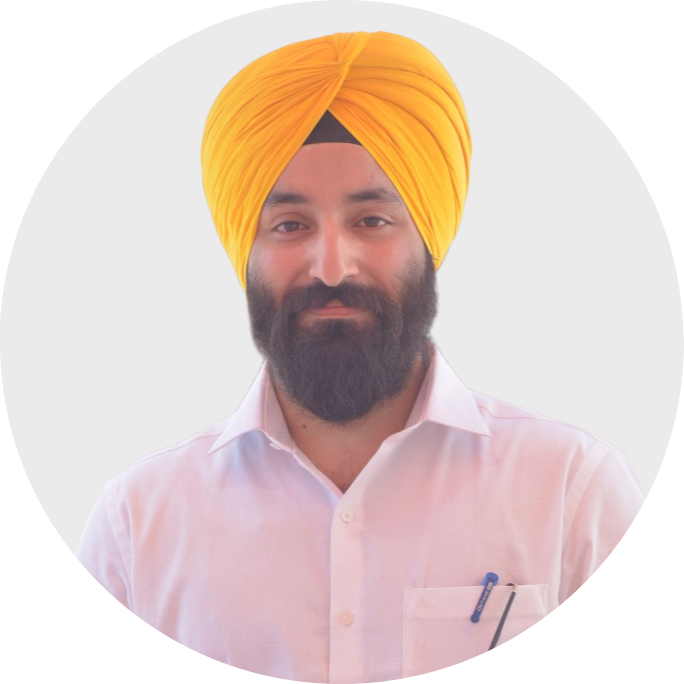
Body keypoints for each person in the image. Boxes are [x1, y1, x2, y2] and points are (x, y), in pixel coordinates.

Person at [75, 31, 644, 680]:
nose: (331, 267)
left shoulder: (573, 492)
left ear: (427, 240)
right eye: (290, 225)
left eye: (371, 220)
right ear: (245, 253)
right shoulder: (136, 527)